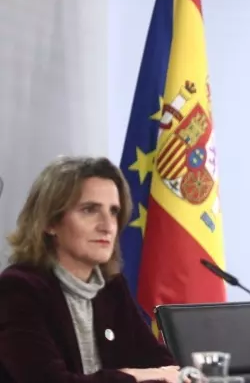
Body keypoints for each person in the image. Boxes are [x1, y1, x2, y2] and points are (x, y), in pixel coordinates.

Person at [0, 156, 181, 383]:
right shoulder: (17, 289)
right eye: (89, 210)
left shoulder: (111, 287)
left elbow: (163, 365)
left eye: (114, 211)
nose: (107, 226)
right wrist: (130, 376)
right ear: (50, 222)